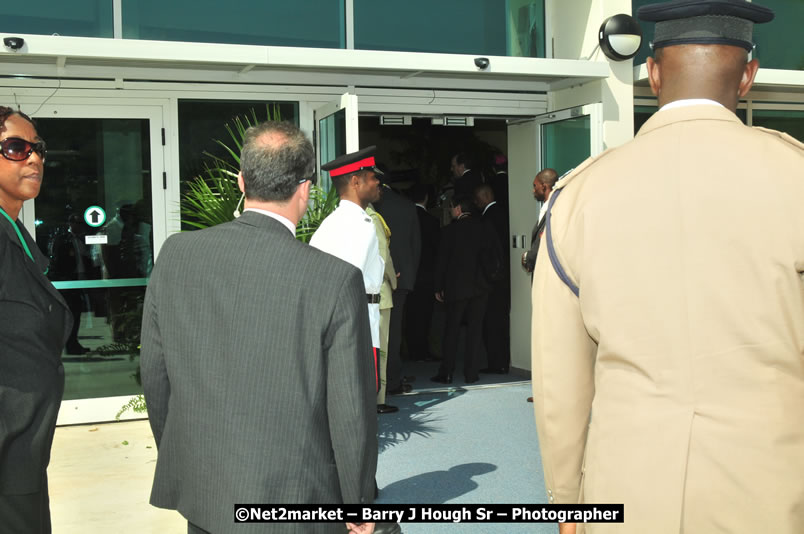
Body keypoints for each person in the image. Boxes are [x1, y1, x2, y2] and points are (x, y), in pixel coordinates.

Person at [531, 1, 804, 533]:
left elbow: (560, 376)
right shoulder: (795, 176)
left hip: (628, 487)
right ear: (748, 76)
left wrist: (566, 502)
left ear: (652, 73)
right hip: (770, 485)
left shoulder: (580, 194)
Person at [140, 121, 378, 534]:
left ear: (240, 181)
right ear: (305, 189)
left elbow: (155, 376)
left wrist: (186, 461)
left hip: (206, 492)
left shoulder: (176, 254)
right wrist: (357, 502)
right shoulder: (334, 279)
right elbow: (350, 408)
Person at [0, 106, 71, 533]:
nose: (34, 159)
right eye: (15, 147)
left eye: (38, 148)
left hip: (23, 448)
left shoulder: (15, 231)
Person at [310, 146, 386, 393]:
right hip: (357, 328)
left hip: (344, 329)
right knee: (360, 402)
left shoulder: (331, 223)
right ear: (355, 181)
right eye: (373, 177)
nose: (377, 182)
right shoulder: (360, 225)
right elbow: (346, 283)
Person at [431, 196, 499, 385]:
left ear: (459, 208)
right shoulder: (484, 227)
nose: (451, 211)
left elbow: (442, 261)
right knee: (475, 330)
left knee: (451, 329)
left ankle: (447, 372)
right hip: (480, 286)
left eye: (452, 207)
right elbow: (493, 254)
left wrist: (438, 286)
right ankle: (471, 373)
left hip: (456, 287)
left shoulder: (450, 231)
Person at [374, 179, 420, 395]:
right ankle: (393, 379)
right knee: (395, 330)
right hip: (402, 278)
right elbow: (415, 245)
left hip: (377, 277)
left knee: (379, 331)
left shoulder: (372, 206)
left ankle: (381, 380)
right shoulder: (408, 205)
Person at [474, 184, 510, 374]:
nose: (476, 203)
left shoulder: (487, 219)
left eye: (477, 199)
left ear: (483, 198)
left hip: (492, 279)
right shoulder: (504, 213)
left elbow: (487, 252)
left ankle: (496, 363)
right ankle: (503, 360)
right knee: (501, 320)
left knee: (491, 322)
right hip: (504, 278)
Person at [367, 204, 399, 414]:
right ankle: (379, 399)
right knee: (382, 350)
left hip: (361, 293)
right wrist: (394, 282)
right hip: (379, 294)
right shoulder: (373, 219)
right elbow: (383, 256)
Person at [405, 184, 440, 363]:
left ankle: (410, 350)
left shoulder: (405, 219)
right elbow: (437, 252)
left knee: (409, 314)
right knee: (425, 315)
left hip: (408, 273)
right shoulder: (432, 221)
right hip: (427, 275)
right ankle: (423, 351)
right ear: (426, 197)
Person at [521, 168, 557, 276]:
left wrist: (527, 258)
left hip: (546, 275)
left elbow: (543, 240)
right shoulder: (549, 207)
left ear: (543, 186)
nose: (533, 190)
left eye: (535, 186)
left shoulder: (553, 210)